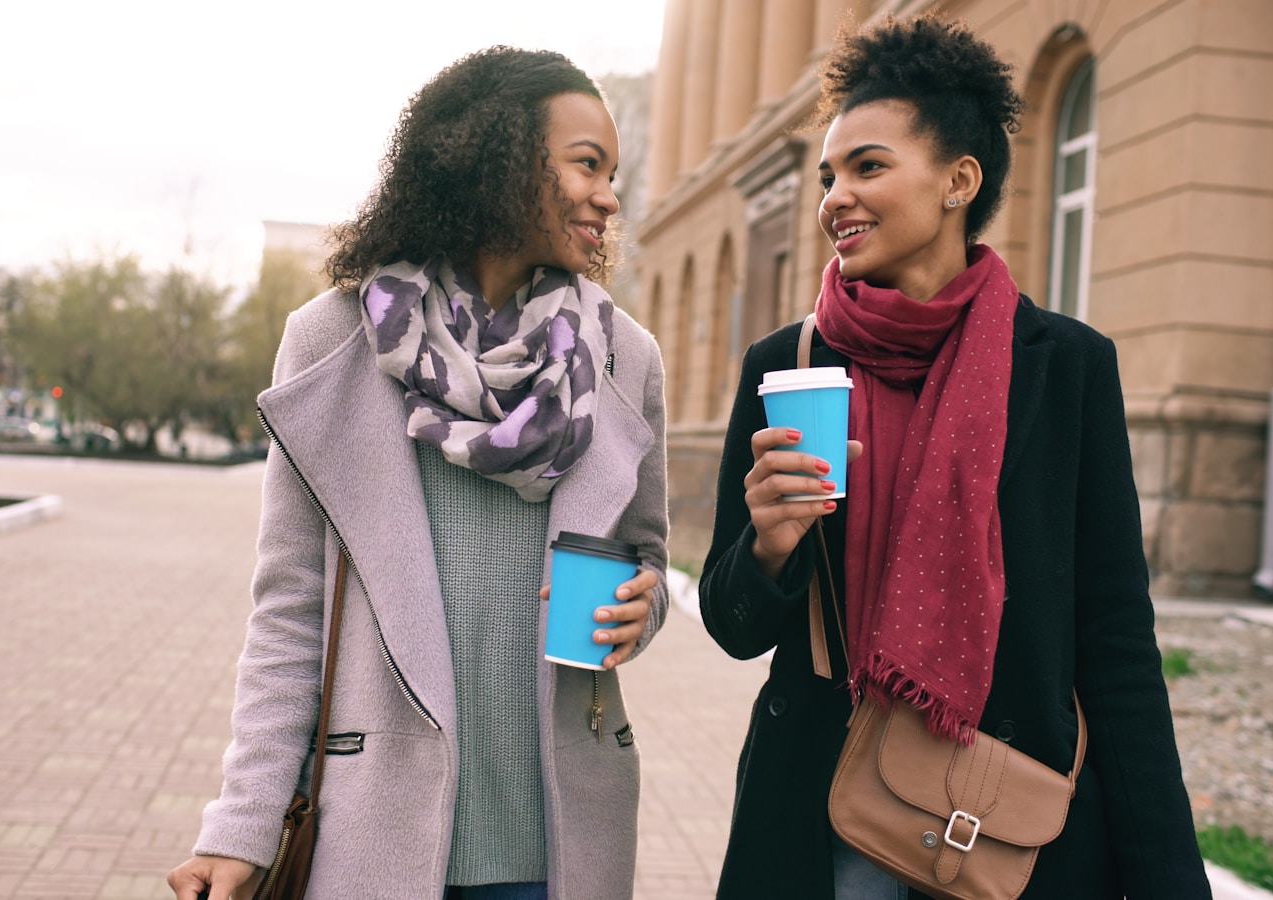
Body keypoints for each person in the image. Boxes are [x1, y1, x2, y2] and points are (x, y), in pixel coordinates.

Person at [698, 16, 1211, 900]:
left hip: (1006, 812)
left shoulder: (1066, 368)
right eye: (829, 176)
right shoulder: (788, 365)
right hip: (827, 806)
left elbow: (1115, 638)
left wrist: (1168, 877)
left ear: (958, 181)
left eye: (868, 167)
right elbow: (732, 623)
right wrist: (769, 547)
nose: (836, 198)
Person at [168, 46, 669, 900]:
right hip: (377, 833)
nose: (609, 196)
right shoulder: (333, 341)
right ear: (497, 159)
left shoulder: (625, 356)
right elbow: (291, 610)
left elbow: (646, 554)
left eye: (612, 174)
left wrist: (640, 607)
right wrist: (242, 823)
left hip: (557, 839)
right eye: (587, 164)